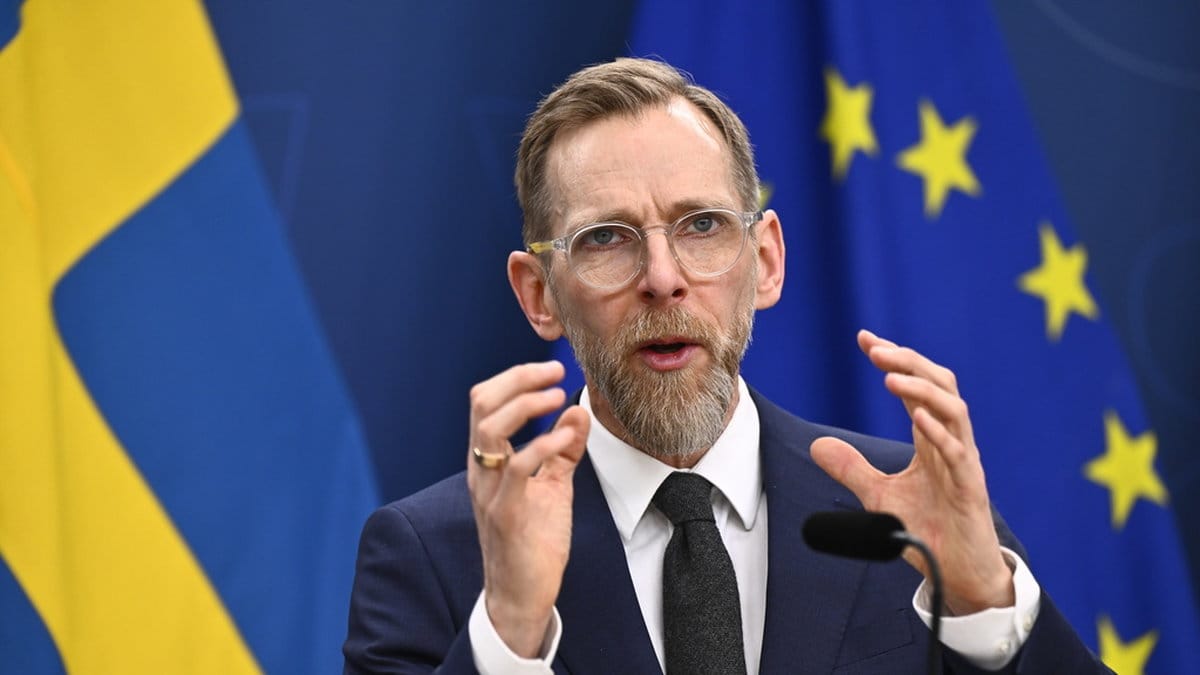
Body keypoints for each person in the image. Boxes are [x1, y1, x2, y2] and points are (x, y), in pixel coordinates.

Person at [343, 58, 1108, 674]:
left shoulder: (906, 519)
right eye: (606, 238)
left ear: (765, 260)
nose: (663, 277)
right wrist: (509, 631)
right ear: (539, 294)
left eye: (701, 225)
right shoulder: (432, 554)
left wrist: (985, 604)